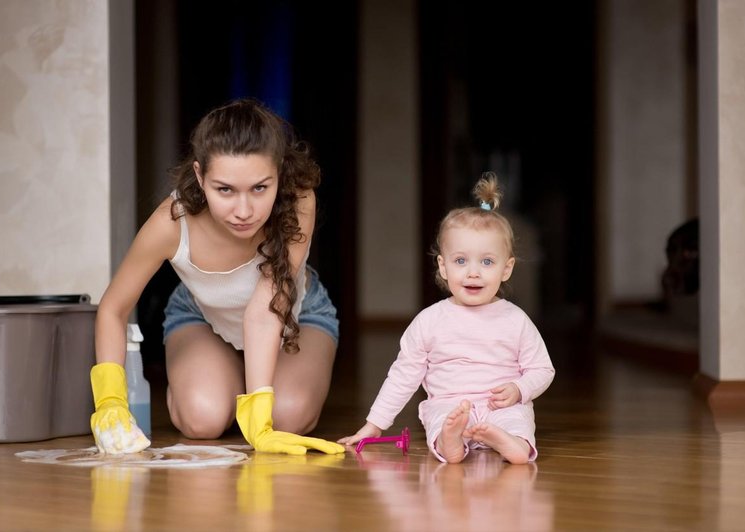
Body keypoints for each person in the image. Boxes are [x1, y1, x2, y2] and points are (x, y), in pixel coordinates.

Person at [90, 98, 345, 456]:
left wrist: (259, 419)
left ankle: (243, 387)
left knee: (286, 415)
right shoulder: (171, 222)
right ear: (200, 176)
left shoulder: (298, 199)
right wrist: (110, 403)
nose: (244, 211)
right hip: (203, 319)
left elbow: (263, 310)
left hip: (293, 318)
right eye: (224, 189)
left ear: (280, 175)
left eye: (260, 188)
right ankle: (206, 380)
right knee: (203, 419)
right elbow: (113, 309)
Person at [339, 173, 555, 464]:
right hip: (450, 404)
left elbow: (542, 369)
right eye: (461, 261)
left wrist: (519, 390)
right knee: (443, 419)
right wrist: (374, 425)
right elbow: (403, 376)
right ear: (443, 266)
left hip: (502, 407)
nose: (473, 272)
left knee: (517, 419)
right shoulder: (429, 321)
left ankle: (513, 443)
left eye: (487, 262)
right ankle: (450, 442)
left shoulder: (515, 320)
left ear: (507, 269)